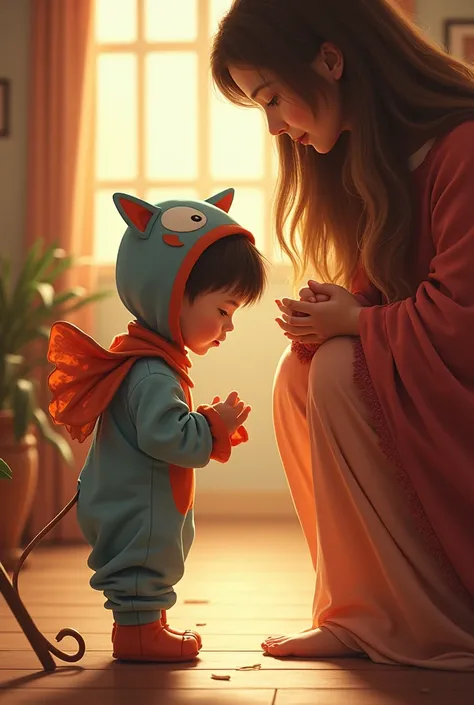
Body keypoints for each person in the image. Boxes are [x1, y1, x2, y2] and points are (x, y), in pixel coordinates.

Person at [211, 0, 474, 670]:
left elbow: (462, 320)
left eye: (272, 99)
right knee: (301, 372)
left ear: (331, 59)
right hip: (431, 372)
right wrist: (344, 307)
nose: (273, 127)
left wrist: (356, 321)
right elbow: (389, 294)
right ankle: (360, 609)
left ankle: (425, 611)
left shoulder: (463, 147)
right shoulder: (378, 162)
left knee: (334, 368)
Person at [46, 189, 267, 663]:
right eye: (223, 310)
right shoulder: (151, 372)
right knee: (145, 558)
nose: (228, 327)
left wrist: (205, 419)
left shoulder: (149, 363)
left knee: (151, 558)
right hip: (138, 505)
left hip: (135, 496)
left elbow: (161, 426)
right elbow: (169, 438)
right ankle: (140, 635)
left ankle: (149, 625)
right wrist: (212, 422)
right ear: (170, 294)